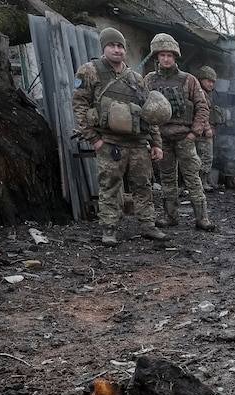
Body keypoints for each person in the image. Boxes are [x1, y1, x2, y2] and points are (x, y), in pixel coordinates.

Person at [71, 27, 169, 245]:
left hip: (137, 143)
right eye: (112, 45)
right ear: (104, 47)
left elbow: (149, 113)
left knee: (143, 186)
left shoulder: (136, 78)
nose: (116, 50)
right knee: (109, 186)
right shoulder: (90, 71)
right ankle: (109, 229)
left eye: (120, 46)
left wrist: (156, 144)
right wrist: (93, 138)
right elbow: (79, 105)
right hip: (109, 142)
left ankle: (148, 225)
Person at [145, 33, 215, 231]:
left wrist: (194, 132)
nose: (166, 59)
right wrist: (152, 138)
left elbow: (202, 107)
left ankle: (202, 218)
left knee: (192, 177)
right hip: (161, 139)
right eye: (162, 55)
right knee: (167, 178)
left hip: (184, 137)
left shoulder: (188, 80)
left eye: (170, 55)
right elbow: (143, 107)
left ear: (175, 57)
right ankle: (170, 216)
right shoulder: (149, 80)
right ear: (156, 57)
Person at [195, 65, 224, 192]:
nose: (211, 84)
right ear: (201, 80)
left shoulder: (207, 94)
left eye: (213, 82)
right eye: (209, 81)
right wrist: (207, 129)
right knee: (205, 157)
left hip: (208, 130)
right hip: (202, 132)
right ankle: (202, 182)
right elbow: (201, 114)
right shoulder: (199, 93)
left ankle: (207, 180)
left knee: (208, 156)